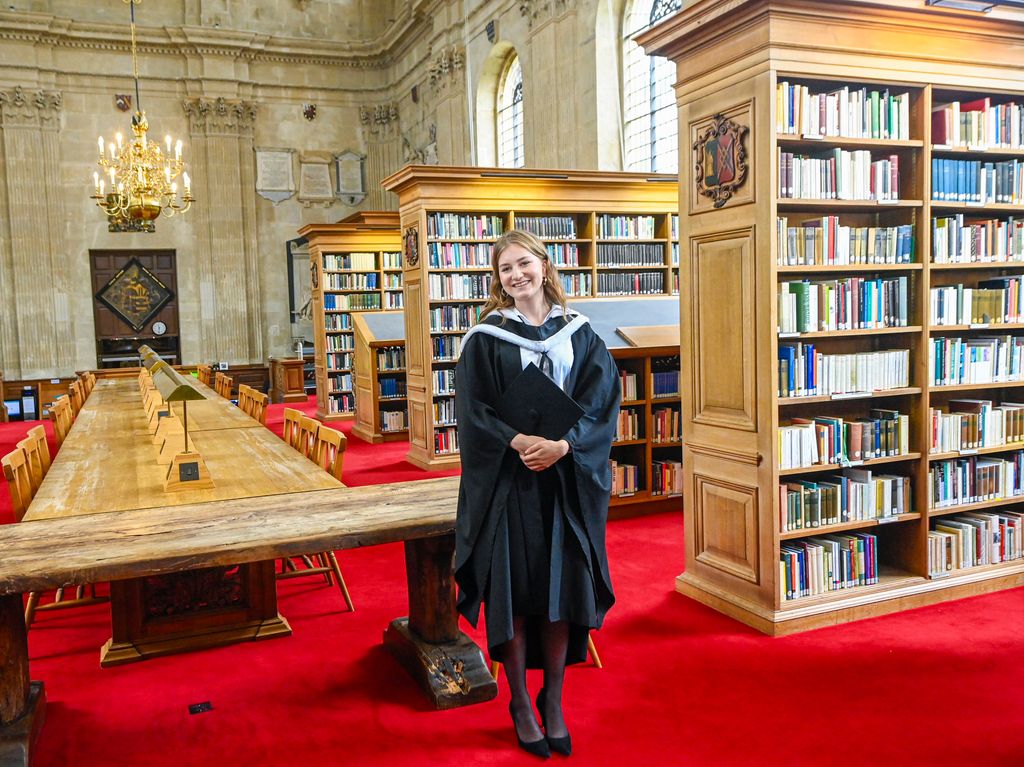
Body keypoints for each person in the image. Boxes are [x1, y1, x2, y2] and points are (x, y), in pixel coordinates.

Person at [454, 229, 619, 758]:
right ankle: (520, 701)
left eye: (524, 264)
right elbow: (472, 411)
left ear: (544, 266)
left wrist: (565, 447)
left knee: (558, 596)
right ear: (498, 280)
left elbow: (601, 402)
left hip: (563, 485)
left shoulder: (580, 333)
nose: (516, 275)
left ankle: (554, 699)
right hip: (509, 484)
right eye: (505, 269)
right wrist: (519, 440)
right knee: (515, 596)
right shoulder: (486, 337)